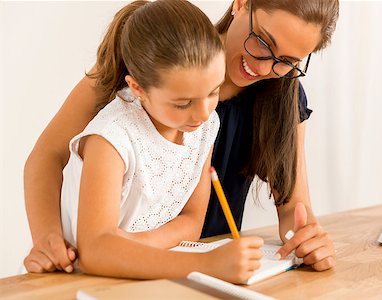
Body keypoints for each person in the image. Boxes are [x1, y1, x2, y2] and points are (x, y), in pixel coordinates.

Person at [24, 0, 339, 274]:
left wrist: (306, 236)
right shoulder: (156, 58)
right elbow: (48, 154)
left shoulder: (283, 99)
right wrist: (48, 237)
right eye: (262, 42)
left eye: (288, 62)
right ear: (242, 3)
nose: (265, 65)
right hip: (115, 267)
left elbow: (293, 208)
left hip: (207, 271)